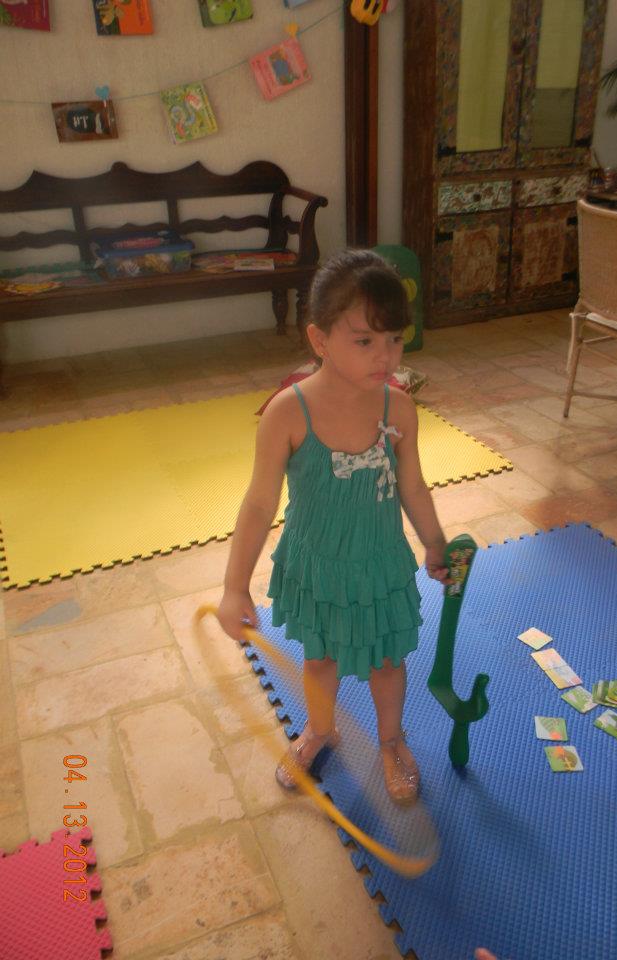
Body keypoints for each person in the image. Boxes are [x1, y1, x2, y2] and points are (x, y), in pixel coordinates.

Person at [217, 248, 449, 804]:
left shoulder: (400, 409)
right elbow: (258, 504)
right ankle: (320, 730)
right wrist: (234, 586)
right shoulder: (287, 412)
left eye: (394, 339)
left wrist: (436, 543)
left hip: (379, 564)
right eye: (365, 340)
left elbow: (413, 487)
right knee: (319, 659)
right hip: (317, 564)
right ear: (319, 340)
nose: (385, 355)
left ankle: (391, 740)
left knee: (387, 660)